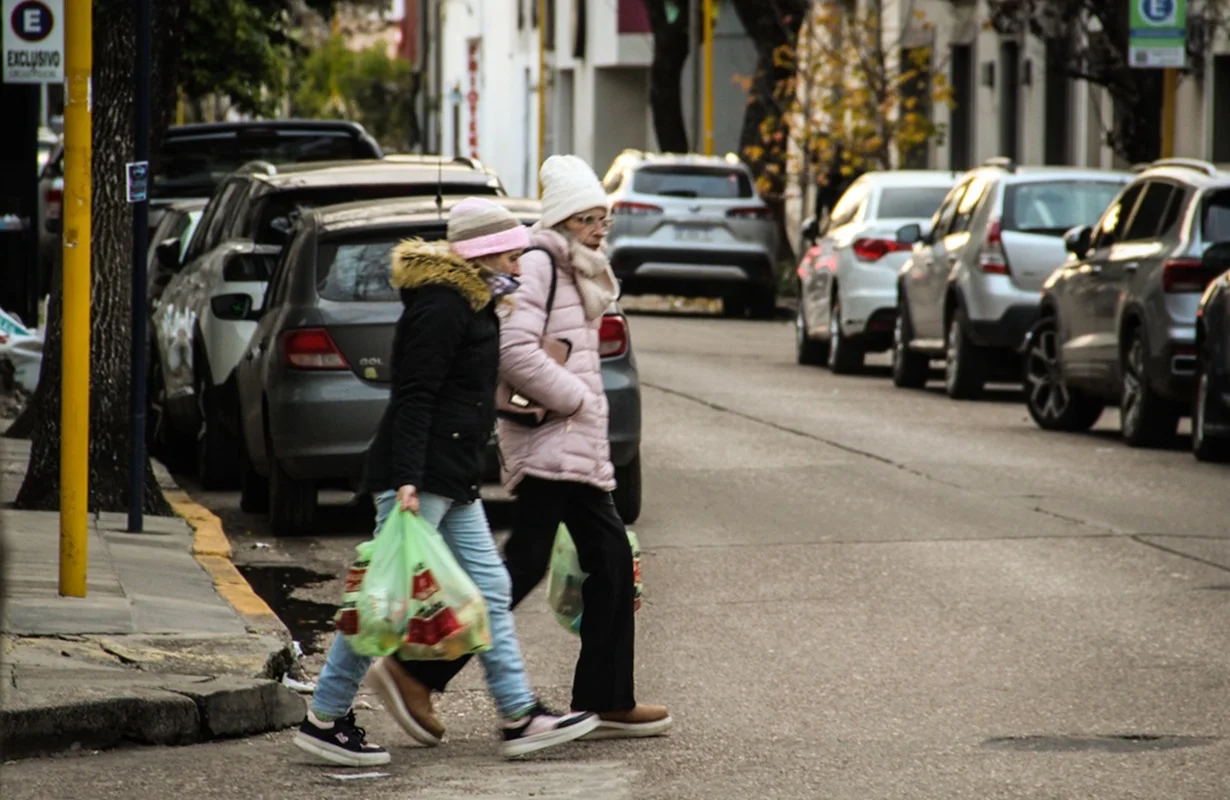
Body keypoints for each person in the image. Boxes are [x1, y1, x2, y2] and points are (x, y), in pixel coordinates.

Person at [374, 155, 671, 744]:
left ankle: (605, 698)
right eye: (587, 219)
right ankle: (415, 674)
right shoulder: (538, 262)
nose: (599, 229)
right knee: (525, 567)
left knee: (604, 561)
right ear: (561, 221)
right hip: (549, 441)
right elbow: (513, 349)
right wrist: (575, 399)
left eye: (603, 218)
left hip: (571, 445)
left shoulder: (575, 265)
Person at [294, 196, 599, 767]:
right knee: (384, 600)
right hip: (422, 476)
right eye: (511, 253)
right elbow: (414, 395)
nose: (519, 263)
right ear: (484, 252)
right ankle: (325, 717)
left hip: (453, 475)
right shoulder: (441, 303)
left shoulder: (475, 300)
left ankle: (519, 715)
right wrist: (407, 480)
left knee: (492, 589)